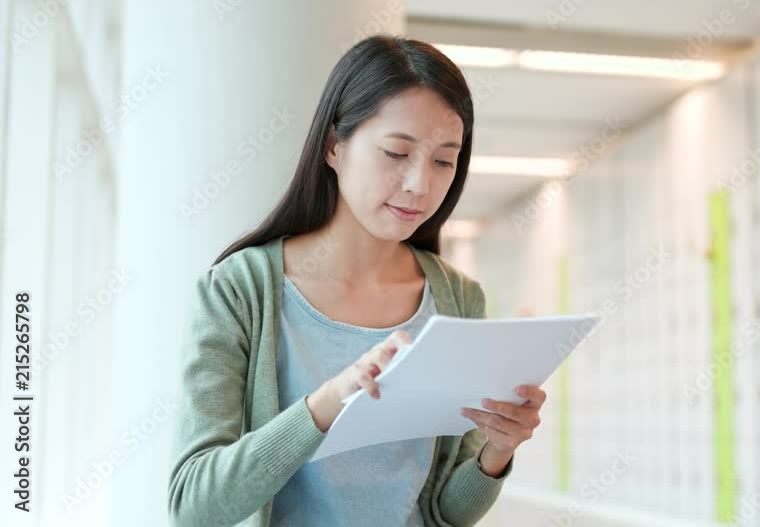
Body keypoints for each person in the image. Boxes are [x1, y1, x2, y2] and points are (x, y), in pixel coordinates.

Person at [167, 35, 546, 527]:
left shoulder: (458, 299)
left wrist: (498, 450)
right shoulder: (239, 290)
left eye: (444, 160)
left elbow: (445, 513)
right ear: (333, 146)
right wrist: (326, 406)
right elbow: (195, 505)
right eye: (396, 153)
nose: (420, 185)